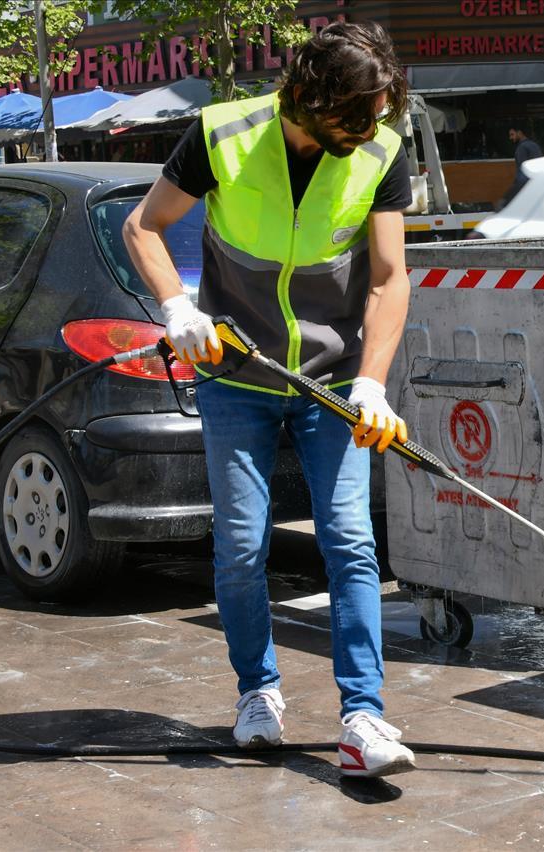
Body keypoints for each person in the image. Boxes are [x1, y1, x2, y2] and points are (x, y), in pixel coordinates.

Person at [121, 20, 417, 779]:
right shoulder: (222, 134)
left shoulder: (381, 148)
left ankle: (364, 717)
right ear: (313, 99)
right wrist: (176, 309)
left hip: (333, 382)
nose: (375, 125)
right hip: (235, 377)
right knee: (243, 545)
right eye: (361, 112)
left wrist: (374, 383)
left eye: (382, 110)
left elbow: (387, 278)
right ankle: (257, 692)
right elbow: (144, 226)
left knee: (348, 537)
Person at [499, 124, 542, 207]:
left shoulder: (521, 148)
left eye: (512, 134)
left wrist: (515, 189)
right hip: (537, 185)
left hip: (526, 187)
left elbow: (522, 171)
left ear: (519, 133)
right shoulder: (535, 145)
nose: (510, 138)